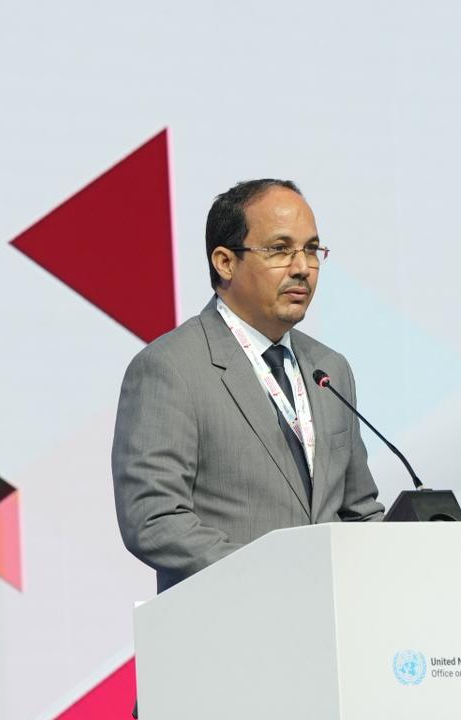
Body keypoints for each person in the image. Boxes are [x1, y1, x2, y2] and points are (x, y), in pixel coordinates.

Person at [112, 179, 384, 594]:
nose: (302, 267)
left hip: (331, 619)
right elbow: (154, 518)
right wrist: (274, 579)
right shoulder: (170, 367)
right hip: (230, 617)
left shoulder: (330, 368)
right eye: (279, 249)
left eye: (311, 249)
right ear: (225, 262)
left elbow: (358, 510)